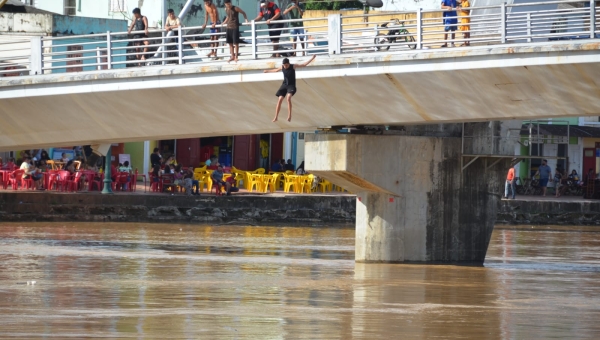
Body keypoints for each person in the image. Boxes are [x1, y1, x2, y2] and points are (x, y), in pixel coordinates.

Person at [264, 55, 316, 122]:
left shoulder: (293, 66)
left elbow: (304, 64)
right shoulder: (282, 67)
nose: (285, 66)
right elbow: (276, 70)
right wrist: (267, 71)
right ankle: (276, 117)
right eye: (284, 65)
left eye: (286, 65)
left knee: (288, 98)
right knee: (279, 100)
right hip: (284, 85)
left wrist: (312, 58)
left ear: (288, 63)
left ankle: (289, 116)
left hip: (291, 86)